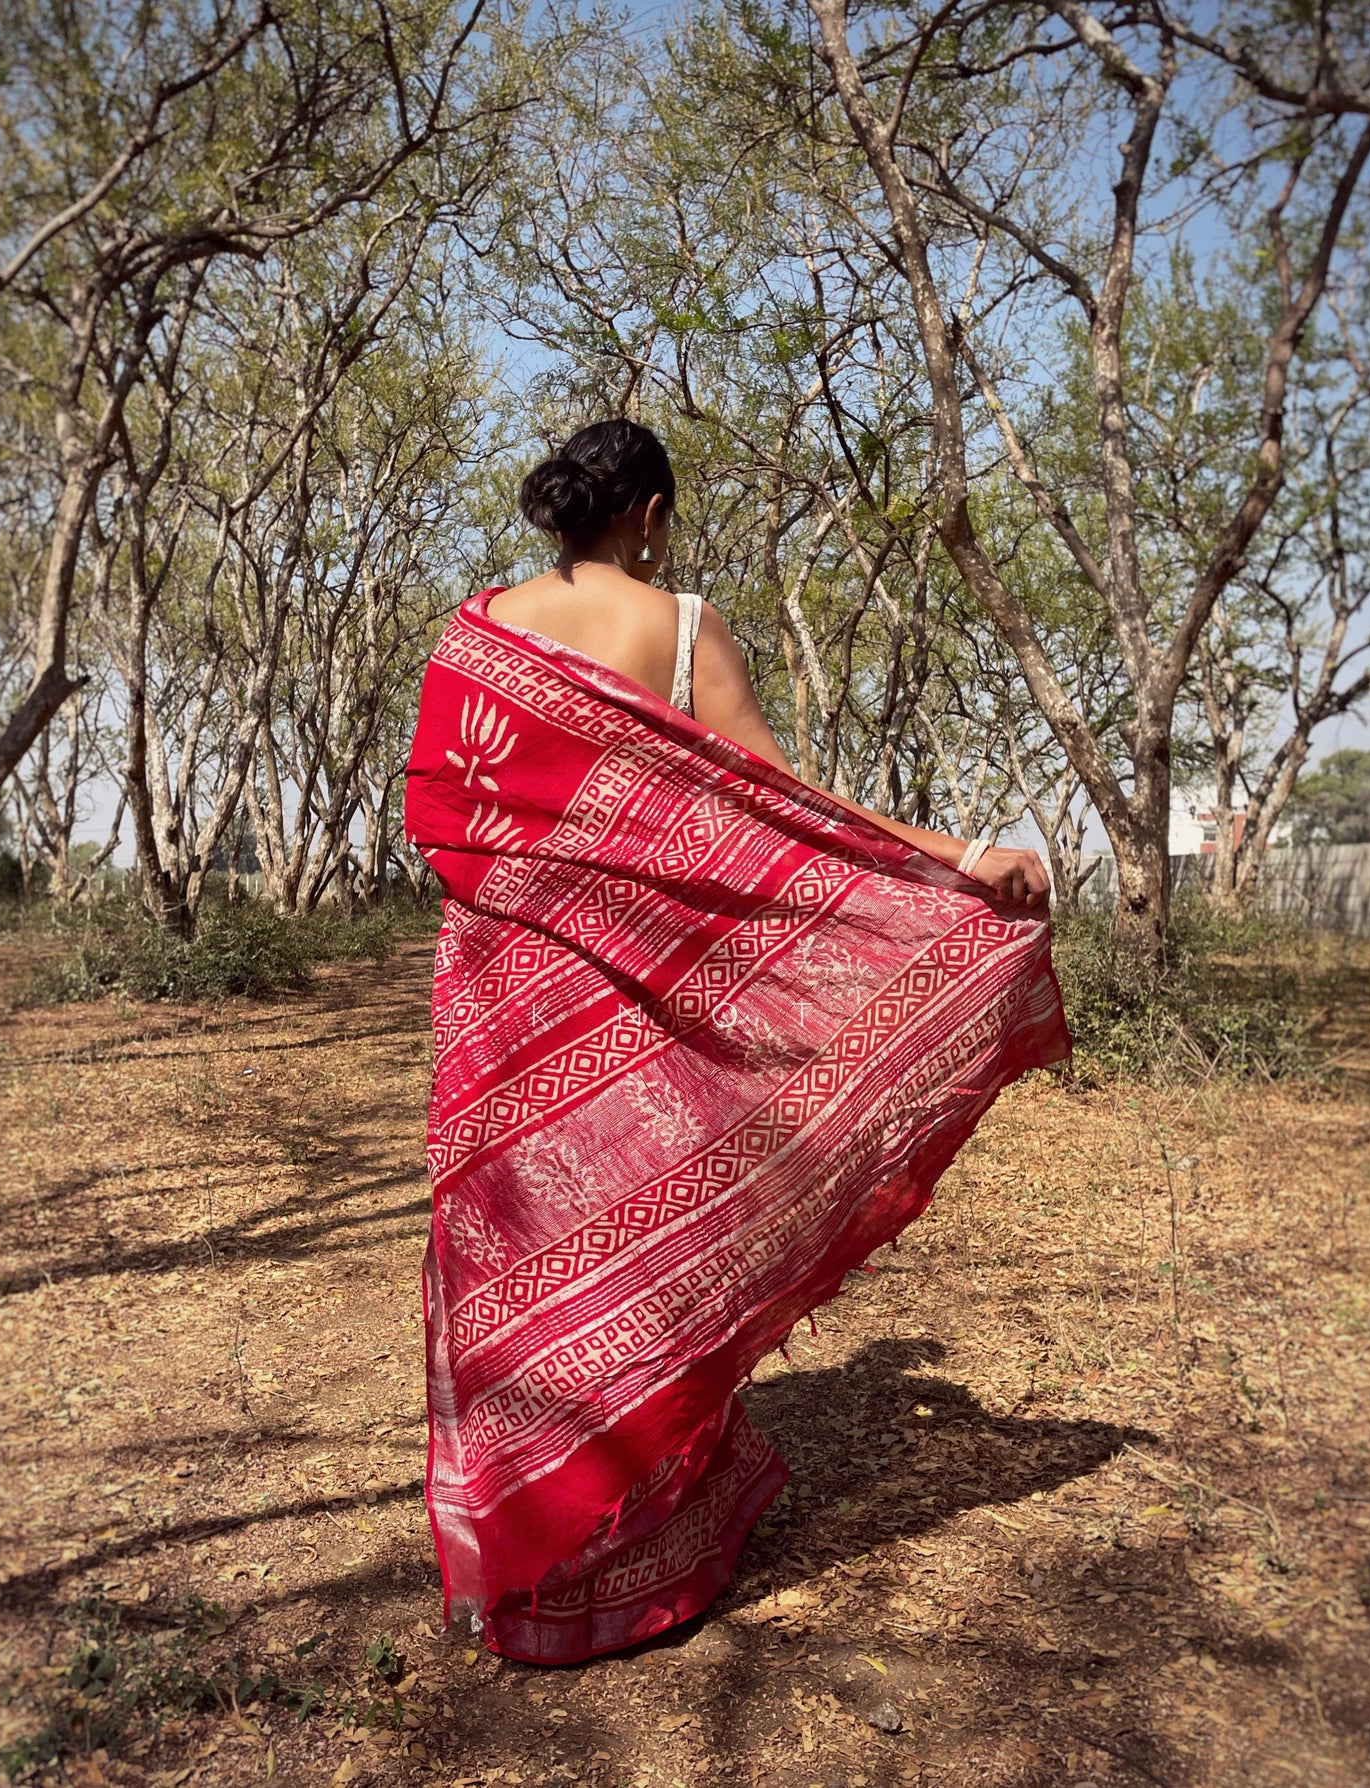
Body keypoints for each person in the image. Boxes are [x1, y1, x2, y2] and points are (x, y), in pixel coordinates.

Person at [404, 419, 1069, 1666]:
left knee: (520, 1252)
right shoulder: (683, 624)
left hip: (506, 994)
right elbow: (787, 810)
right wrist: (960, 860)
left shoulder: (475, 629)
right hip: (637, 1004)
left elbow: (440, 811)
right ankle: (639, 1557)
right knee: (660, 1238)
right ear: (648, 512)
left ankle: (525, 1567)